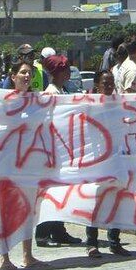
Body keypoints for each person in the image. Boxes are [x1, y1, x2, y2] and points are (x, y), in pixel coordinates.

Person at [0, 59, 45, 270]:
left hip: (29, 165)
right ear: (13, 76)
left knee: (29, 210)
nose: (27, 76)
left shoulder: (36, 100)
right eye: (23, 73)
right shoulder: (3, 101)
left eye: (30, 73)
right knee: (5, 211)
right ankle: (4, 258)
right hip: (8, 165)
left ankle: (28, 254)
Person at [36, 53, 82, 247]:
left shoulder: (61, 92)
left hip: (62, 149)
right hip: (52, 149)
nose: (67, 75)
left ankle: (58, 229)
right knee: (50, 192)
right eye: (64, 71)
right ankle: (43, 232)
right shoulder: (50, 94)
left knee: (61, 192)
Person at [84, 69, 130, 258]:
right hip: (98, 160)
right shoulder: (91, 106)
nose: (110, 86)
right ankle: (92, 243)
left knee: (117, 200)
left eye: (112, 82)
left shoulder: (118, 104)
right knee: (96, 202)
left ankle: (114, 241)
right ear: (97, 85)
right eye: (106, 83)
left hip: (116, 158)